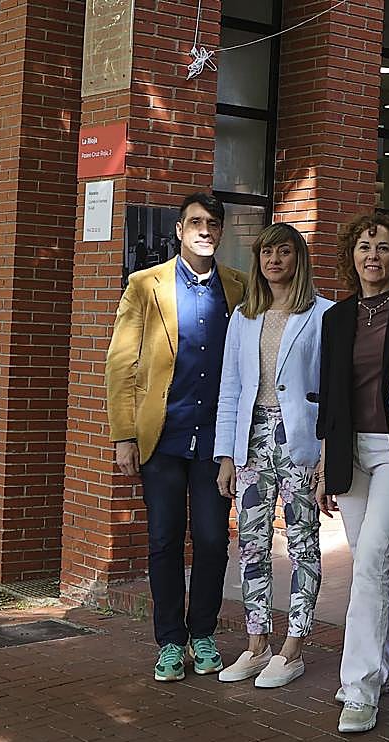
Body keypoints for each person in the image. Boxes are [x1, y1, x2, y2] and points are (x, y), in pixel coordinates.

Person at [106, 191, 246, 682]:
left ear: (222, 232)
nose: (205, 230)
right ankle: (169, 640)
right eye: (195, 222)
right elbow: (121, 362)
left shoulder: (239, 287)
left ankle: (202, 633)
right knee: (164, 540)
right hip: (161, 438)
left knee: (211, 540)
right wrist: (124, 434)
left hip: (215, 441)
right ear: (180, 231)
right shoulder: (146, 285)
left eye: (213, 223)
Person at [315, 213, 389, 734]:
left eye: (383, 248)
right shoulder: (336, 318)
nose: (373, 256)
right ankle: (381, 668)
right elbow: (330, 396)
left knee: (369, 562)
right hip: (349, 453)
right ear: (352, 254)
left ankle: (359, 688)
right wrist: (324, 461)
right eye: (365, 247)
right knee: (368, 565)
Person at [214, 222, 332, 688]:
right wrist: (226, 455)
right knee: (251, 543)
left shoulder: (323, 314)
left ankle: (293, 647)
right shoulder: (243, 316)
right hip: (251, 438)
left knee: (303, 541)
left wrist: (324, 454)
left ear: (297, 259)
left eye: (284, 252)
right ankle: (257, 642)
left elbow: (330, 392)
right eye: (266, 253)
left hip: (298, 438)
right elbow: (230, 388)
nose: (274, 261)